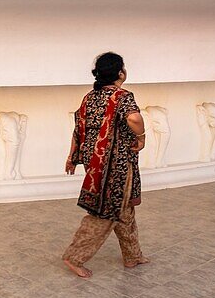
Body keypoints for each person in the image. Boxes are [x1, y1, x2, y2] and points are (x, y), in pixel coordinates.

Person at [62, 52, 150, 278]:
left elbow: (78, 129)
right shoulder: (123, 96)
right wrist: (141, 137)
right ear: (120, 72)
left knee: (125, 209)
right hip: (116, 165)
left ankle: (132, 255)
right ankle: (74, 257)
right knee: (105, 213)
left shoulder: (89, 98)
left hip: (96, 163)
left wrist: (72, 157)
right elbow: (134, 119)